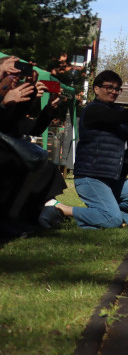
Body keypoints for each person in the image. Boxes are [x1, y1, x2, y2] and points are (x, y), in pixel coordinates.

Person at [50, 70, 128, 229]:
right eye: (109, 87)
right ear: (96, 89)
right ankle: (63, 209)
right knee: (112, 218)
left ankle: (105, 220)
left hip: (112, 178)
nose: (114, 92)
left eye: (117, 89)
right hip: (91, 178)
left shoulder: (117, 111)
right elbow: (124, 117)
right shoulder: (93, 110)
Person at [0, 56, 69, 236]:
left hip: (14, 154)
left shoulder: (12, 99)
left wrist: (47, 109)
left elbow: (29, 127)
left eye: (18, 74)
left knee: (43, 165)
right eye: (9, 74)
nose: (15, 77)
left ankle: (36, 213)